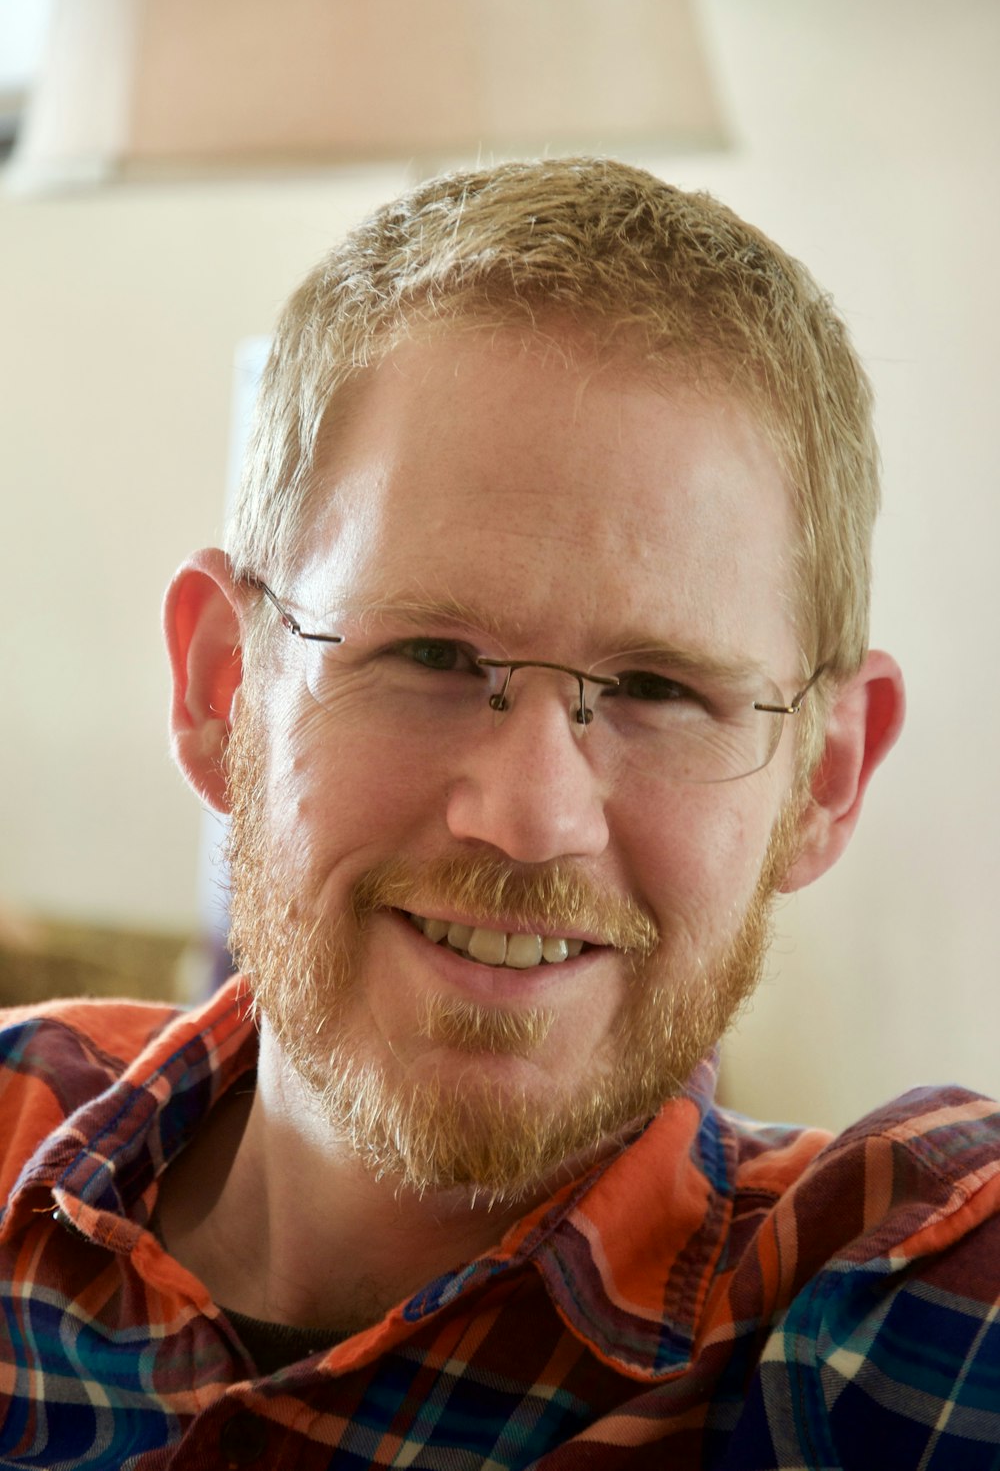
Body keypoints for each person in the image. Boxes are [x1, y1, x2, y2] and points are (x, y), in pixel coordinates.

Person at [1, 157, 997, 1471]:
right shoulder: (22, 1111)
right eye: (425, 655)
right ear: (221, 686)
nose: (529, 818)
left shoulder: (887, 1302)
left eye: (658, 687)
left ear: (825, 775)